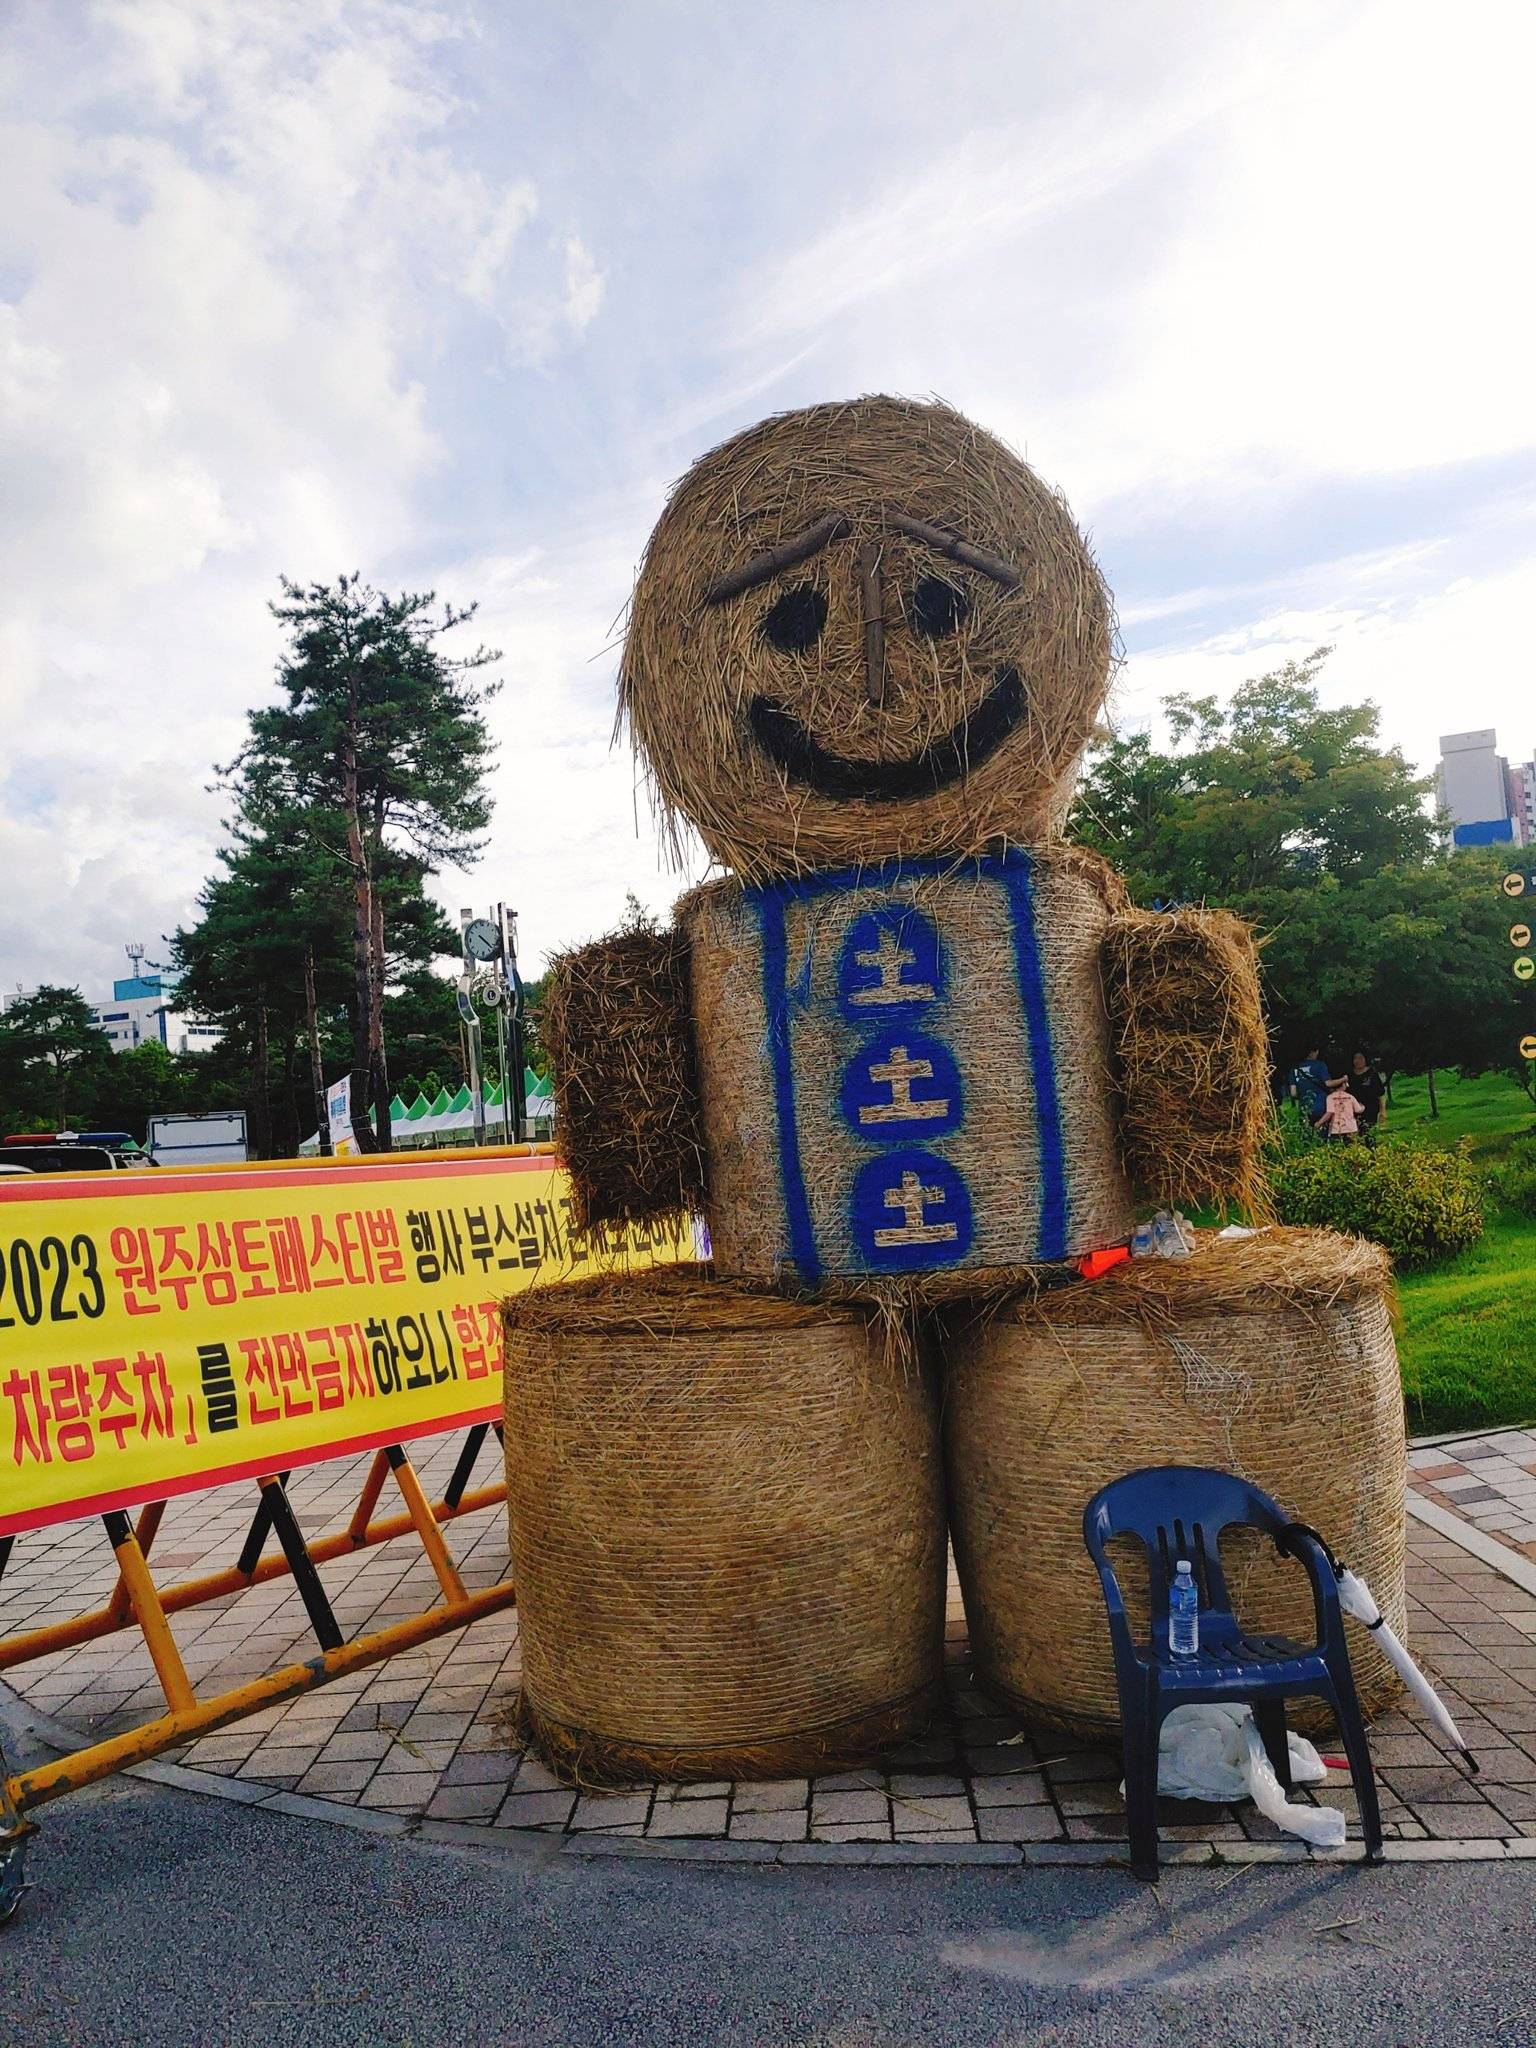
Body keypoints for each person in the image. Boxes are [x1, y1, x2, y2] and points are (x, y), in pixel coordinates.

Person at [1290, 1043, 1331, 1133]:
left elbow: (1293, 1093)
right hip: (1320, 1105)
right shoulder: (1320, 1065)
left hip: (1304, 1107)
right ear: (1315, 1052)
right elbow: (1328, 1083)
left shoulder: (1295, 1069)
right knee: (1321, 1134)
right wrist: (1343, 1079)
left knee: (1306, 1134)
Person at [1348, 1050, 1387, 1141]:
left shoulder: (1372, 1074)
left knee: (1368, 1134)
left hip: (1370, 1109)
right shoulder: (1349, 1074)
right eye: (1355, 1058)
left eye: (1360, 1058)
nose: (1357, 1061)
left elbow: (1381, 1094)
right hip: (1352, 1111)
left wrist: (1383, 1111)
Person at [1315, 1078, 1366, 1142]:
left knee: (1337, 1148)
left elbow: (1329, 1112)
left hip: (1336, 1129)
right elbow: (1358, 1110)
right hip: (1351, 1128)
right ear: (1343, 1085)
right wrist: (1363, 1107)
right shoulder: (1350, 1096)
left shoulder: (1330, 1097)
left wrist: (1319, 1123)